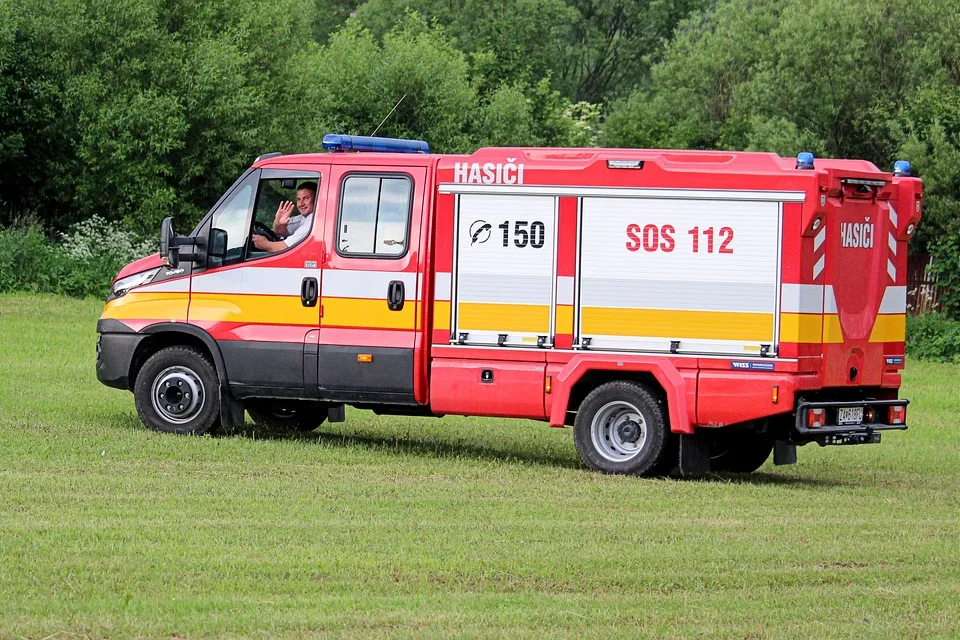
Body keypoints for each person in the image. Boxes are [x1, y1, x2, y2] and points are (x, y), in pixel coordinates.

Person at [252, 181, 317, 253]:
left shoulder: (314, 220)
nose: (301, 204)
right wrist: (278, 221)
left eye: (306, 198)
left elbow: (285, 247)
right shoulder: (303, 218)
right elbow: (279, 231)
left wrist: (265, 244)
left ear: (316, 199)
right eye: (299, 199)